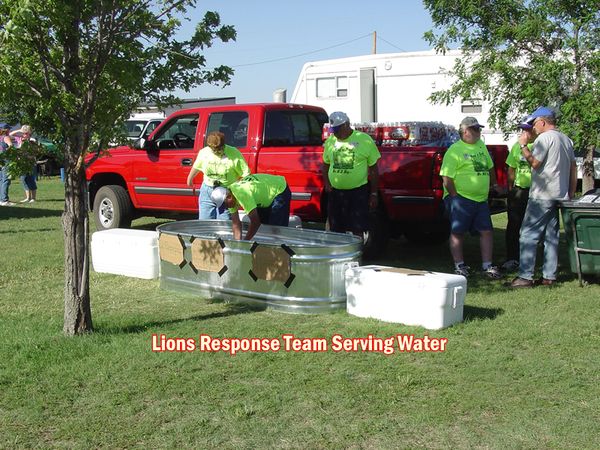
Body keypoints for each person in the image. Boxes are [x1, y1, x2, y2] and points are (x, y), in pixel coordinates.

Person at [511, 107, 577, 288]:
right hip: (559, 194)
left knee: (528, 234)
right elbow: (573, 168)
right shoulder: (566, 139)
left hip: (542, 195)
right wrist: (570, 193)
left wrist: (523, 145)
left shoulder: (544, 138)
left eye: (534, 124)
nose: (533, 128)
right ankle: (549, 276)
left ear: (542, 121)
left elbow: (535, 163)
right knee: (551, 237)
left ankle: (525, 276)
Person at [440, 116, 502, 279]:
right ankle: (459, 265)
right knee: (458, 231)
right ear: (465, 131)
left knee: (486, 231)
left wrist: (494, 185)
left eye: (479, 129)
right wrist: (455, 197)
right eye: (475, 129)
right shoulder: (455, 150)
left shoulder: (480, 146)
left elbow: (490, 167)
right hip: (462, 198)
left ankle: (487, 265)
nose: (479, 132)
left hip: (480, 199)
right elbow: (446, 178)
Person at [322, 111, 380, 237]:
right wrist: (327, 183)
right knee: (336, 229)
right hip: (336, 192)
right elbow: (325, 164)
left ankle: (356, 254)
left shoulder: (364, 140)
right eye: (333, 130)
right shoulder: (330, 141)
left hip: (357, 192)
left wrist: (374, 193)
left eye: (337, 130)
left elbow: (374, 168)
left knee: (357, 227)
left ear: (346, 125)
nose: (335, 133)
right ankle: (338, 254)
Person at [186, 131, 250, 220]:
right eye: (214, 149)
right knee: (205, 221)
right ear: (209, 146)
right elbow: (197, 166)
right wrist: (190, 178)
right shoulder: (204, 152)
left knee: (224, 222)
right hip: (207, 190)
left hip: (226, 191)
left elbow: (246, 174)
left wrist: (236, 191)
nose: (217, 152)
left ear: (224, 145)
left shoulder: (234, 153)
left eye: (219, 149)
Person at [210, 174, 291, 241]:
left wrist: (245, 243)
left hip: (279, 188)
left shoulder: (242, 194)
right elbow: (236, 224)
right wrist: (237, 245)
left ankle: (280, 255)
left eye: (225, 206)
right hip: (265, 194)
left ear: (229, 197)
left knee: (276, 229)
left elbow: (255, 222)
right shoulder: (229, 197)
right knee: (266, 226)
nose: (226, 208)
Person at [501, 119, 535, 271]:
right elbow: (511, 168)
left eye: (526, 130)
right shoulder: (516, 147)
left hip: (535, 191)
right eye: (522, 130)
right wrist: (511, 188)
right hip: (519, 190)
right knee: (514, 225)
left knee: (533, 227)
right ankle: (512, 258)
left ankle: (530, 259)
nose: (523, 133)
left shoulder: (538, 145)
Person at [10, 125, 37, 203]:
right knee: (23, 179)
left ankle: (33, 198)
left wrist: (28, 155)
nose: (24, 134)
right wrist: (19, 130)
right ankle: (28, 197)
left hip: (30, 162)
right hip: (21, 162)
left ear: (29, 133)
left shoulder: (32, 140)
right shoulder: (19, 138)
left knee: (31, 179)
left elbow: (34, 151)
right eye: (23, 133)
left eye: (26, 133)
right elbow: (11, 134)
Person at [0, 123, 15, 206]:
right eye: (9, 129)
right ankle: (4, 200)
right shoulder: (5, 137)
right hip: (6, 160)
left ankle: (1, 199)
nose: (10, 130)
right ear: (5, 130)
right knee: (6, 180)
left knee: (1, 180)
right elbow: (11, 146)